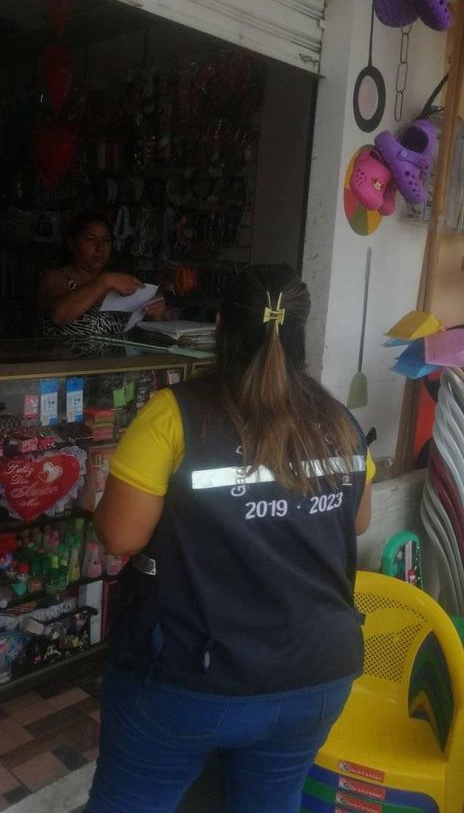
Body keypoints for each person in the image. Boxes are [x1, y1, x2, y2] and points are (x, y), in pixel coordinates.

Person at [86, 264, 374, 813]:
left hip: (191, 678)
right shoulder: (340, 421)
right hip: (317, 673)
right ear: (301, 331)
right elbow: (356, 522)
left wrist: (93, 499)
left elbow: (120, 537)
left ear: (218, 327)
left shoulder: (176, 414)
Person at [37, 209, 165, 337]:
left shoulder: (118, 284)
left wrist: (156, 315)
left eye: (106, 240)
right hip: (68, 351)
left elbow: (145, 337)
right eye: (91, 240)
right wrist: (104, 281)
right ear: (72, 245)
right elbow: (58, 315)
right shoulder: (55, 277)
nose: (100, 247)